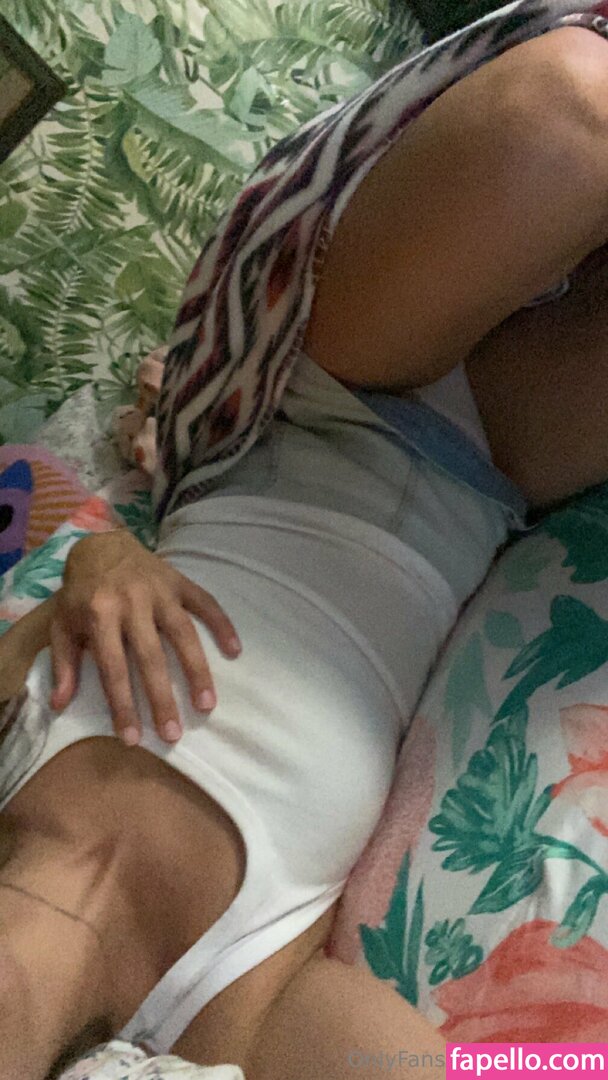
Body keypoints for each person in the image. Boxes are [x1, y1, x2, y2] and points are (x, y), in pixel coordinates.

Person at [2, 12, 608, 1080]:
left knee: (576, 106)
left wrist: (102, 561)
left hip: (324, 389)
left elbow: (70, 561)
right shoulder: (224, 1016)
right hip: (497, 473)